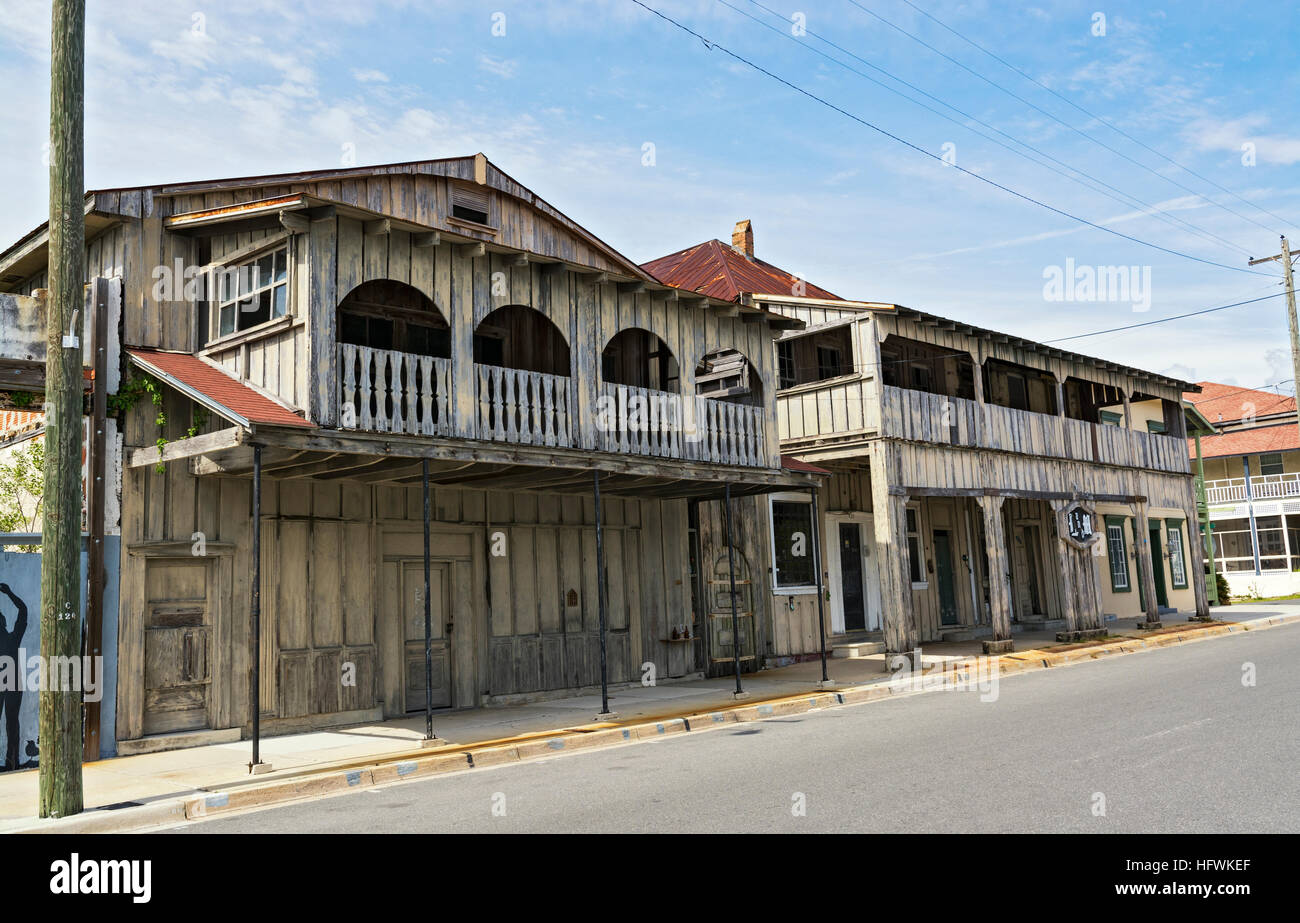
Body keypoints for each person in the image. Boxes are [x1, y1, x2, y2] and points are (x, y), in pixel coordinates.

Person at [0, 582, 28, 770]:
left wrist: (9, 593)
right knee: (12, 723)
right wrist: (9, 593)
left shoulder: (12, 638)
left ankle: (12, 760)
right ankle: (13, 760)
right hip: (12, 683)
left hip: (12, 683)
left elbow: (23, 611)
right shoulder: (13, 638)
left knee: (12, 723)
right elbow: (23, 610)